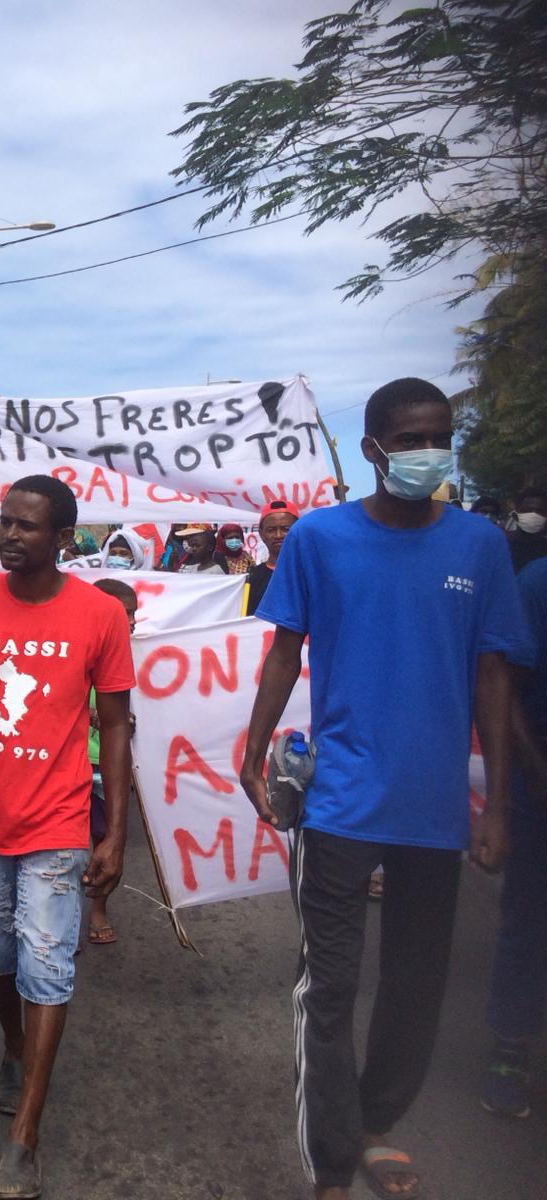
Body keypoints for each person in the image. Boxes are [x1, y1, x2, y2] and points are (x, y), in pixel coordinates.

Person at [239, 378, 523, 1200]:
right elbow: (285, 652)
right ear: (372, 451)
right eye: (410, 441)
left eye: (440, 435)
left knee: (416, 980)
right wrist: (253, 752)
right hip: (339, 804)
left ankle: (376, 1122)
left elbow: (493, 674)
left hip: (433, 811)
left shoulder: (479, 547)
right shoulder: (320, 539)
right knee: (328, 984)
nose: (428, 452)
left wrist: (496, 804)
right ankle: (330, 1163)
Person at [0, 475, 134, 1199]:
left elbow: (115, 724)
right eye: (3, 523)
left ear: (62, 537)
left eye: (25, 526)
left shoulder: (99, 615)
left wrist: (116, 835)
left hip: (59, 822)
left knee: (46, 964)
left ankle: (26, 1131)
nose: (8, 536)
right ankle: (14, 1046)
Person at [481, 555, 547, 1118]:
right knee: (530, 918)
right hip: (539, 788)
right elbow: (505, 688)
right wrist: (534, 772)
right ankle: (510, 1047)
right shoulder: (538, 584)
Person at [84, 578, 137, 948]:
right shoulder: (77, 651)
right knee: (66, 847)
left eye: (132, 613)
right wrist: (87, 713)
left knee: (108, 842)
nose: (128, 621)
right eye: (120, 613)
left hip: (114, 766)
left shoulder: (146, 654)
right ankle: (64, 919)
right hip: (75, 763)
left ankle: (98, 908)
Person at [244, 500, 300, 616]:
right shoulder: (251, 578)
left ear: (299, 530)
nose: (279, 535)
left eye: (286, 529)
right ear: (261, 533)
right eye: (271, 530)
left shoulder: (313, 574)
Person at [508, 485, 547, 573]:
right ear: (515, 513)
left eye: (540, 511)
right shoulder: (502, 544)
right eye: (527, 510)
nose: (534, 515)